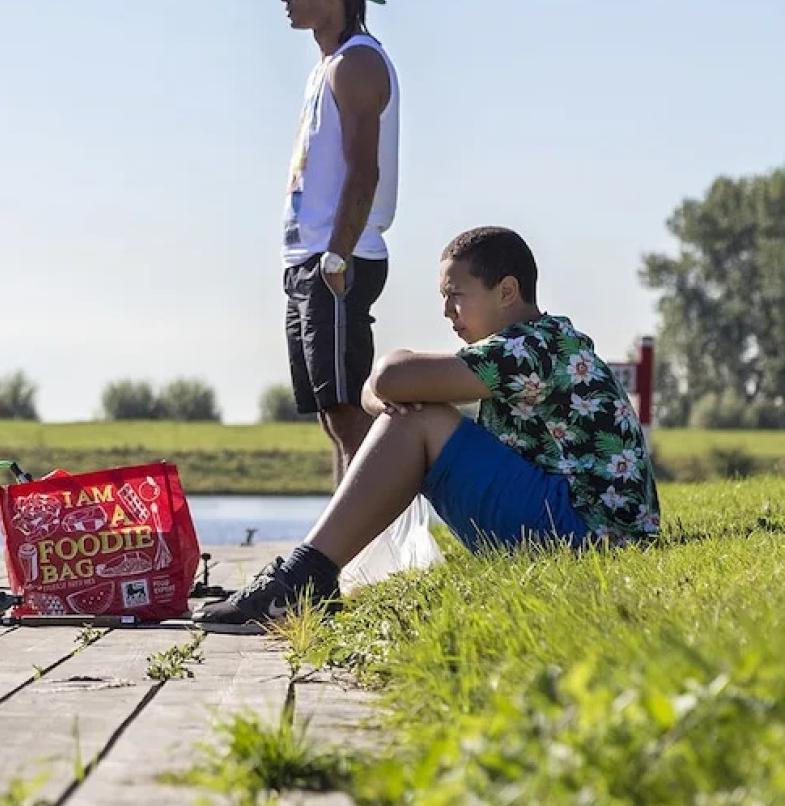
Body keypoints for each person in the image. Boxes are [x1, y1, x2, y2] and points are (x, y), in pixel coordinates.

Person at [197, 226, 662, 634]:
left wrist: (395, 394)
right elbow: (375, 391)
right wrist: (392, 398)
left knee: (422, 420)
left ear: (506, 291)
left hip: (587, 537)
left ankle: (303, 578)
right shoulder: (541, 340)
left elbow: (388, 378)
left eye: (456, 294)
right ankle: (306, 576)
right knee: (416, 415)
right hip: (586, 527)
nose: (446, 311)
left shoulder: (526, 351)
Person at [279, 0, 401, 484]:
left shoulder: (358, 64)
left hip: (339, 260)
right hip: (310, 260)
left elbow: (364, 172)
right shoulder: (326, 66)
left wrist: (336, 256)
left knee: (351, 413)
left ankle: (373, 552)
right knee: (333, 414)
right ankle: (342, 550)